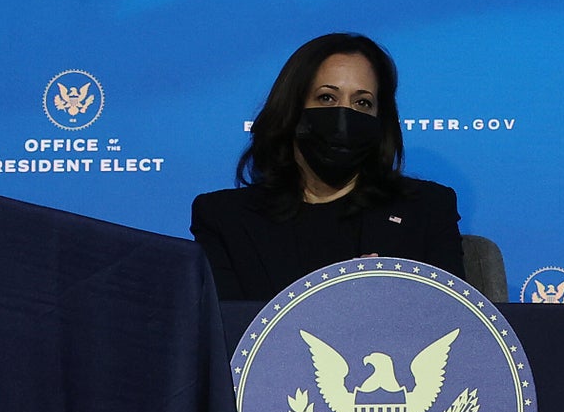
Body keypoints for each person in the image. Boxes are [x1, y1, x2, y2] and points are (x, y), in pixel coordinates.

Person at [191, 33, 465, 301]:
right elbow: (225, 335)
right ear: (292, 110)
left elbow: (456, 327)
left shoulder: (427, 210)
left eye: (362, 103)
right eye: (326, 98)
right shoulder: (224, 219)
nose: (344, 115)